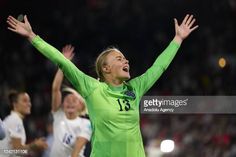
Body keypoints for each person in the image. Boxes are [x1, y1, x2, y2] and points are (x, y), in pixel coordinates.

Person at [6, 14, 198, 157]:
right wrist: (32, 37)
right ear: (106, 69)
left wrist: (178, 39)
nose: (126, 61)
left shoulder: (135, 88)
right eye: (119, 58)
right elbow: (62, 62)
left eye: (125, 58)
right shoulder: (93, 89)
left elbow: (159, 66)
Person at [49, 44, 92, 157]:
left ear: (81, 105)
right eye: (67, 100)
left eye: (74, 100)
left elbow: (76, 152)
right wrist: (63, 64)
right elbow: (55, 89)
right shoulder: (58, 115)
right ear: (62, 105)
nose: (69, 102)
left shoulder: (86, 124)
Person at [0, 91, 48, 157]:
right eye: (25, 101)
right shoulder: (15, 120)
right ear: (15, 104)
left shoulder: (12, 119)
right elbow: (17, 151)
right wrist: (34, 145)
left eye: (29, 101)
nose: (29, 104)